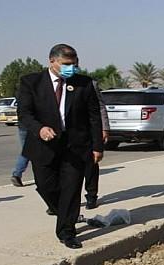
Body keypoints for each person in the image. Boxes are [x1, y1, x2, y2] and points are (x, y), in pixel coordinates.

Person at [17, 43, 103, 249]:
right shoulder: (31, 82)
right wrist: (39, 129)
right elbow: (25, 113)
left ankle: (67, 231)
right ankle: (61, 210)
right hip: (43, 145)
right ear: (52, 61)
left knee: (72, 189)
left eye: (74, 64)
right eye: (66, 64)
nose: (71, 68)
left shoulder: (84, 83)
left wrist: (97, 146)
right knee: (46, 186)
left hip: (76, 146)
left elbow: (94, 116)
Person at [83, 79, 110, 209]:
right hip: (66, 134)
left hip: (88, 132)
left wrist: (104, 128)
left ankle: (91, 195)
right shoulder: (55, 84)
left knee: (90, 165)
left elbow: (100, 106)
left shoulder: (89, 84)